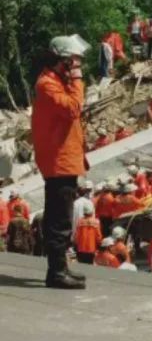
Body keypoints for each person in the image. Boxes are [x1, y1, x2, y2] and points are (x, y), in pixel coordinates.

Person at [32, 34, 91, 288]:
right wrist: (77, 80)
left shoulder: (57, 81)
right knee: (59, 219)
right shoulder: (48, 84)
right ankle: (56, 272)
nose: (78, 66)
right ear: (64, 62)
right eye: (75, 62)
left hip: (65, 160)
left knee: (63, 217)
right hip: (58, 161)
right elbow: (72, 109)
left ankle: (60, 267)